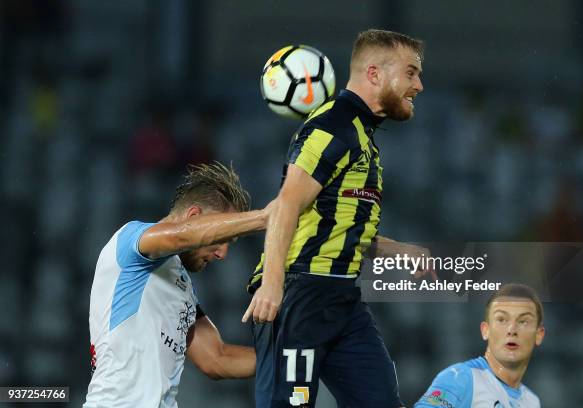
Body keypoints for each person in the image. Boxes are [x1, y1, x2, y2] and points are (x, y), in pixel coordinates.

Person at [242, 29, 427, 408]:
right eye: (411, 73)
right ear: (374, 73)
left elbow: (340, 227)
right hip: (300, 294)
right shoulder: (335, 124)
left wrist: (400, 250)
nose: (419, 85)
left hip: (342, 298)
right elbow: (286, 205)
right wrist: (273, 285)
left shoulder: (362, 136)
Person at [84, 162, 271, 408]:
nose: (223, 253)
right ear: (194, 217)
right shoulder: (130, 240)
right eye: (221, 238)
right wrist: (267, 218)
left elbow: (217, 358)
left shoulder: (184, 289)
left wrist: (287, 358)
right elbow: (180, 235)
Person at [414, 283, 545, 407]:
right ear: (485, 330)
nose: (512, 329)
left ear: (539, 334)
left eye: (523, 321)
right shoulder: (461, 378)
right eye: (501, 319)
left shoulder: (532, 401)